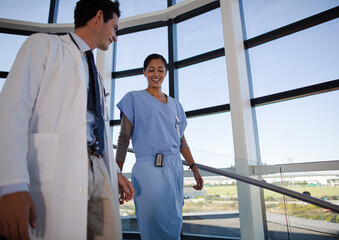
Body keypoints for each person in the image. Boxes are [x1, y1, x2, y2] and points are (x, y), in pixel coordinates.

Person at [0, 0, 135, 239]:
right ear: (99, 17)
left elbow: (99, 130)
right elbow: (11, 113)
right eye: (114, 28)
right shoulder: (42, 46)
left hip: (100, 170)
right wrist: (11, 184)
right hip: (58, 168)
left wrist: (114, 171)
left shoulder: (96, 75)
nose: (116, 37)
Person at [115, 53, 203, 240]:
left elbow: (181, 142)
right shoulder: (133, 99)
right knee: (154, 222)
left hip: (175, 169)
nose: (156, 74)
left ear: (166, 73)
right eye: (151, 70)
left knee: (173, 222)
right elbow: (124, 139)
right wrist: (117, 173)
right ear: (144, 73)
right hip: (149, 169)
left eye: (160, 70)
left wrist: (194, 168)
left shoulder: (176, 105)